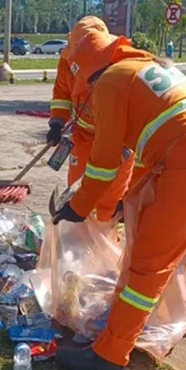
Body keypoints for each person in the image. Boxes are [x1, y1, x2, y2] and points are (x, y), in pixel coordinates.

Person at [52, 30, 186, 370]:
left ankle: (110, 354)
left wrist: (79, 207)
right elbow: (145, 146)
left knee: (148, 265)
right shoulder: (145, 68)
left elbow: (104, 163)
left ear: (87, 71)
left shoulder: (110, 81)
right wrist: (123, 199)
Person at [48, 17, 134, 222]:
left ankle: (105, 237)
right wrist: (57, 123)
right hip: (82, 136)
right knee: (76, 192)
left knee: (111, 195)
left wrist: (123, 150)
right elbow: (62, 93)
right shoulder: (66, 62)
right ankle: (77, 236)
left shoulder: (119, 65)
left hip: (118, 140)